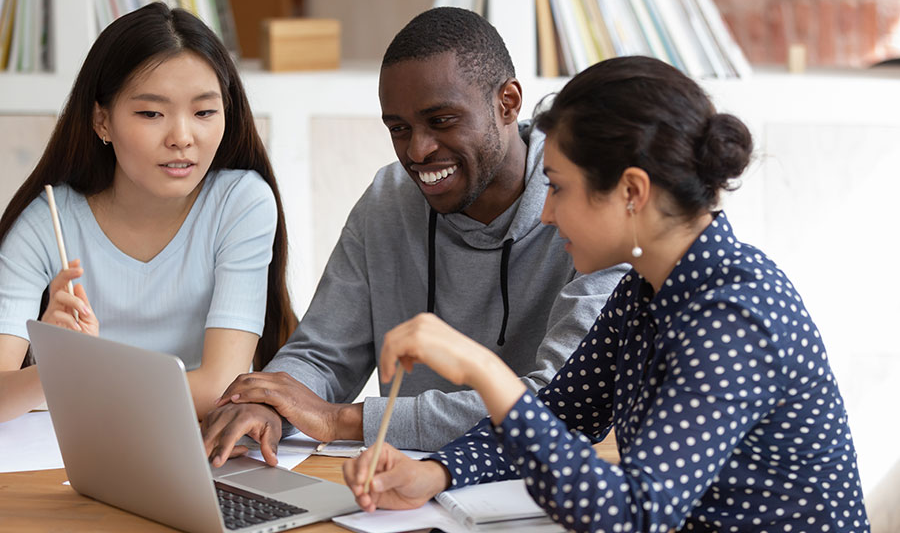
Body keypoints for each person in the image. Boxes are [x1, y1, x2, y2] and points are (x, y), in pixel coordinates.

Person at [342, 56, 870, 532]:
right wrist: (436, 472)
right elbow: (558, 415)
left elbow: (632, 514)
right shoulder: (644, 291)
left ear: (632, 193)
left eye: (558, 186)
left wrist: (485, 370)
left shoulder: (733, 316)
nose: (546, 212)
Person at [201, 7, 628, 462]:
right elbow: (324, 353)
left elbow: (560, 403)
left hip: (543, 485)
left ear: (507, 101)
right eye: (398, 129)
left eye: (441, 121)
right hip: (404, 483)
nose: (418, 150)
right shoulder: (389, 199)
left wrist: (340, 420)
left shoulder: (590, 212)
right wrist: (267, 403)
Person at [0, 2, 296, 423]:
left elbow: (219, 387)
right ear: (102, 120)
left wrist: (86, 385)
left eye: (204, 112)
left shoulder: (240, 203)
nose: (181, 137)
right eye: (151, 113)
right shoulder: (45, 222)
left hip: (195, 448)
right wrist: (53, 367)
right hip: (72, 450)